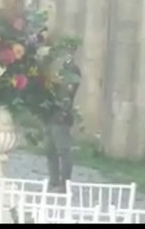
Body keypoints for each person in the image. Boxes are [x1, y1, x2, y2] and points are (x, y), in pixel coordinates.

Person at [45, 56, 82, 193]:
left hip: (61, 116)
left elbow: (67, 94)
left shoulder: (71, 74)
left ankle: (64, 184)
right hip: (51, 115)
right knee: (50, 150)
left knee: (63, 151)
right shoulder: (59, 74)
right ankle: (53, 182)